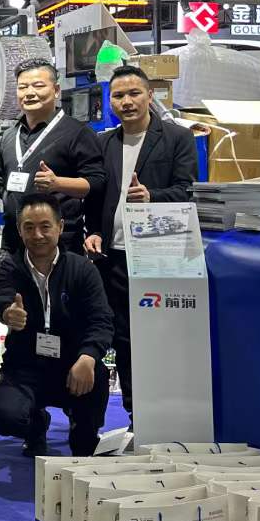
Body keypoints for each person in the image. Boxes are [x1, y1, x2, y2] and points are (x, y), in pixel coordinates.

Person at [85, 65, 197, 416]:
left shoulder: (177, 137)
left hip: (159, 254)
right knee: (123, 338)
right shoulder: (103, 143)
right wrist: (93, 231)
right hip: (113, 257)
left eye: (134, 93)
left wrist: (153, 197)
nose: (127, 102)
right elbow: (94, 197)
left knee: (161, 336)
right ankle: (136, 415)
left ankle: (168, 412)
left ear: (150, 95)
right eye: (118, 96)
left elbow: (188, 190)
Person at [0, 194, 112, 457]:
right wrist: (8, 312)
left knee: (97, 374)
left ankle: (83, 432)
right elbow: (1, 297)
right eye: (29, 227)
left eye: (45, 226)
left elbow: (101, 320)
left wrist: (88, 356)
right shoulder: (9, 268)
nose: (37, 235)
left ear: (60, 226)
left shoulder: (82, 269)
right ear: (19, 230)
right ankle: (35, 425)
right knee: (2, 415)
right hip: (25, 368)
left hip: (72, 364)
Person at [0, 58, 104, 258]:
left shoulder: (78, 133)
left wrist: (58, 184)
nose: (29, 93)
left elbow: (96, 183)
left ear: (56, 90)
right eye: (22, 87)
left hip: (61, 243)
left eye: (38, 85)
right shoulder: (9, 136)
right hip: (13, 242)